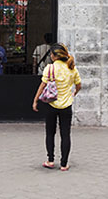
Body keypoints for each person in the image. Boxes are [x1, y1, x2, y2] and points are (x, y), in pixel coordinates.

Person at [32, 43, 82, 171]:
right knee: (65, 134)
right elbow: (78, 85)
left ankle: (50, 160)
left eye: (51, 54)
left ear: (54, 56)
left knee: (50, 133)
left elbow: (42, 85)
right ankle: (64, 164)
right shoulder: (72, 68)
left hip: (51, 105)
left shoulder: (50, 68)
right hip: (66, 106)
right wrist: (74, 93)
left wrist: (35, 100)